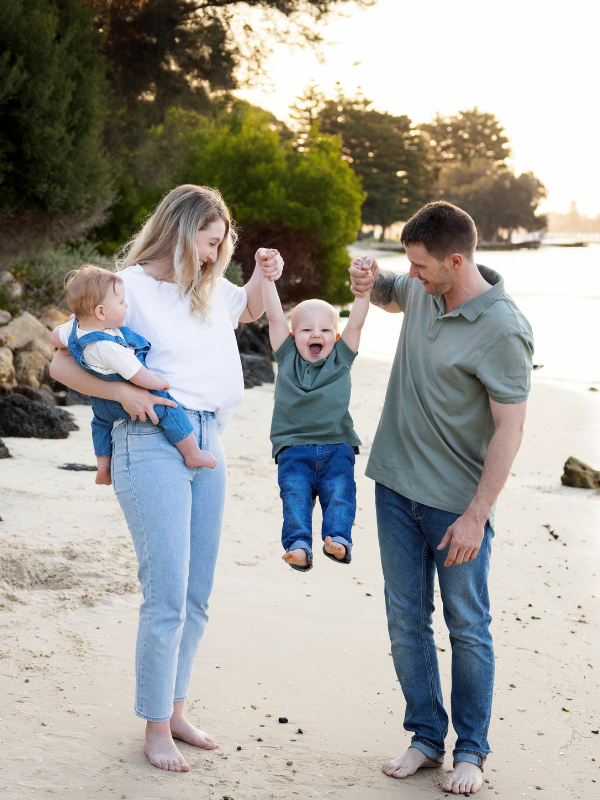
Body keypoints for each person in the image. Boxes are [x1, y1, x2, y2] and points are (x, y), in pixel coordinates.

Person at [49, 184, 284, 773]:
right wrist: (124, 390)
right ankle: (155, 727)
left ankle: (176, 710)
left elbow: (251, 308)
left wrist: (263, 272)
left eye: (221, 247)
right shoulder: (124, 288)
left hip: (210, 441)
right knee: (167, 594)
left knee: (197, 593)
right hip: (152, 440)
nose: (212, 256)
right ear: (181, 231)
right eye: (208, 243)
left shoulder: (208, 289)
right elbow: (59, 359)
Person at [349, 202, 533, 796]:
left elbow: (510, 428)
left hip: (457, 506)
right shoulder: (425, 288)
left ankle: (471, 751)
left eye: (422, 264)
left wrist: (477, 515)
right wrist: (367, 279)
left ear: (457, 261)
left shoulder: (504, 328)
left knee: (467, 626)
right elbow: (389, 290)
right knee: (406, 623)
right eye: (411, 262)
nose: (415, 273)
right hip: (394, 487)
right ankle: (427, 738)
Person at [51, 265, 216, 486]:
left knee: (100, 425)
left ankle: (103, 466)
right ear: (101, 312)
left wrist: (71, 325)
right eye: (121, 303)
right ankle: (192, 452)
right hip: (126, 398)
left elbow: (55, 337)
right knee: (169, 410)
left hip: (101, 404)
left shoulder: (76, 330)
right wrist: (158, 381)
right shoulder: (109, 347)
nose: (126, 305)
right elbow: (138, 375)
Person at [262, 256, 371, 571]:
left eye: (325, 329)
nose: (316, 335)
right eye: (306, 329)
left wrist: (362, 290)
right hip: (293, 449)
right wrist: (268, 279)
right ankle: (298, 545)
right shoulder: (286, 358)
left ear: (335, 337)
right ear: (293, 336)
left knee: (340, 492)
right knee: (294, 495)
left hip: (337, 446)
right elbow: (273, 318)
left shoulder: (341, 358)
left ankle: (338, 539)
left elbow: (357, 322)